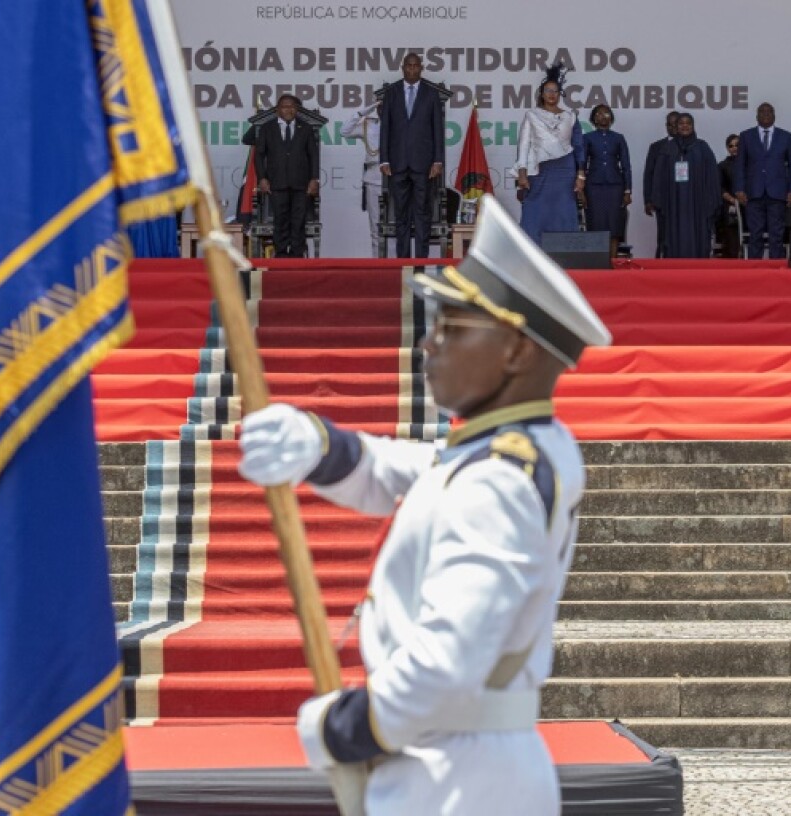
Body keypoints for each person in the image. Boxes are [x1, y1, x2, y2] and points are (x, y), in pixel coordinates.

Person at [238, 193, 610, 816]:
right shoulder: (512, 449)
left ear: (518, 352)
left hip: (455, 779)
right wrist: (320, 444)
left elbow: (446, 662)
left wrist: (343, 727)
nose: (428, 345)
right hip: (458, 765)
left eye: (453, 328)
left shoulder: (499, 479)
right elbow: (406, 472)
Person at [380, 53, 445, 259]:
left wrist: (438, 160)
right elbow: (386, 129)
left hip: (424, 164)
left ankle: (421, 261)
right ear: (402, 67)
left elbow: (438, 130)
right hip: (397, 163)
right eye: (408, 65)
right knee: (401, 215)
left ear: (421, 68)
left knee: (422, 214)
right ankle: (402, 260)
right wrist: (384, 159)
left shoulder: (431, 94)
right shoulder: (391, 93)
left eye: (416, 66)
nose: (412, 69)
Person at [514, 63, 585, 244]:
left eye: (555, 91)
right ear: (542, 93)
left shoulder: (571, 117)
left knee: (563, 212)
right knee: (535, 212)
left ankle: (566, 254)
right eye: (548, 90)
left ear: (560, 94)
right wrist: (522, 172)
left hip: (565, 170)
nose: (552, 94)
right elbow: (524, 145)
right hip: (541, 170)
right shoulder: (532, 115)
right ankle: (532, 254)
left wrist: (581, 175)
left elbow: (578, 146)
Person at [254, 94, 320, 258]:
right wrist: (262, 178)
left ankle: (297, 255)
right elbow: (259, 155)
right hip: (276, 182)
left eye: (292, 106)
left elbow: (313, 155)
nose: (289, 110)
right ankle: (282, 254)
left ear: (296, 109)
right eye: (285, 106)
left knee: (298, 221)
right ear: (278, 110)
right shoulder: (267, 128)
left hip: (301, 183)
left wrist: (314, 179)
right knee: (280, 221)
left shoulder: (305, 128)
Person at [648, 113, 720, 259]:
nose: (685, 126)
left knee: (698, 235)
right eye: (681, 123)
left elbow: (713, 176)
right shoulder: (667, 149)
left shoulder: (702, 147)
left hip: (697, 204)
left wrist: (711, 200)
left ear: (693, 126)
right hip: (673, 204)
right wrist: (657, 199)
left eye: (688, 123)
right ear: (677, 127)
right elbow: (658, 176)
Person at [733, 102, 791, 259]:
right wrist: (739, 189)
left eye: (769, 112)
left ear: (774, 116)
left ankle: (776, 270)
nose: (765, 115)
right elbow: (740, 164)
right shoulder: (746, 136)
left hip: (777, 194)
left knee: (776, 236)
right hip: (753, 193)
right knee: (755, 235)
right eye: (762, 112)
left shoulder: (785, 136)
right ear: (756, 116)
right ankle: (754, 271)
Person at [582, 104, 631, 260]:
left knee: (614, 225)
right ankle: (598, 262)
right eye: (599, 114)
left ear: (611, 117)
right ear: (593, 118)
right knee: (596, 224)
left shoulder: (618, 138)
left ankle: (613, 261)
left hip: (615, 187)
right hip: (593, 187)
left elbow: (626, 166)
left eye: (606, 113)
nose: (603, 116)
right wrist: (581, 191)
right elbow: (581, 165)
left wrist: (627, 190)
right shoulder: (587, 138)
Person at [341, 101, 383, 257]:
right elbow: (344, 131)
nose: (382, 110)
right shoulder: (368, 125)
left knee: (395, 225)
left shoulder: (403, 124)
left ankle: (395, 263)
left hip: (396, 179)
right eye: (379, 106)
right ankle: (378, 263)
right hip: (374, 176)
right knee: (375, 225)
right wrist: (362, 112)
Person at [643, 111, 680, 257]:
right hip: (662, 199)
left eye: (675, 124)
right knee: (663, 236)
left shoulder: (693, 146)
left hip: (684, 199)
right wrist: (648, 200)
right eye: (669, 125)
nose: (672, 128)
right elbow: (649, 174)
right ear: (666, 126)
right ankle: (660, 265)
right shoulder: (656, 147)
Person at [716, 134, 741, 258]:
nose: (734, 148)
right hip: (731, 208)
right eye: (731, 146)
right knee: (732, 243)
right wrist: (733, 200)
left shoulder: (751, 164)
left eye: (737, 145)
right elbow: (719, 188)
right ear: (727, 148)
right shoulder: (722, 166)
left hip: (750, 207)